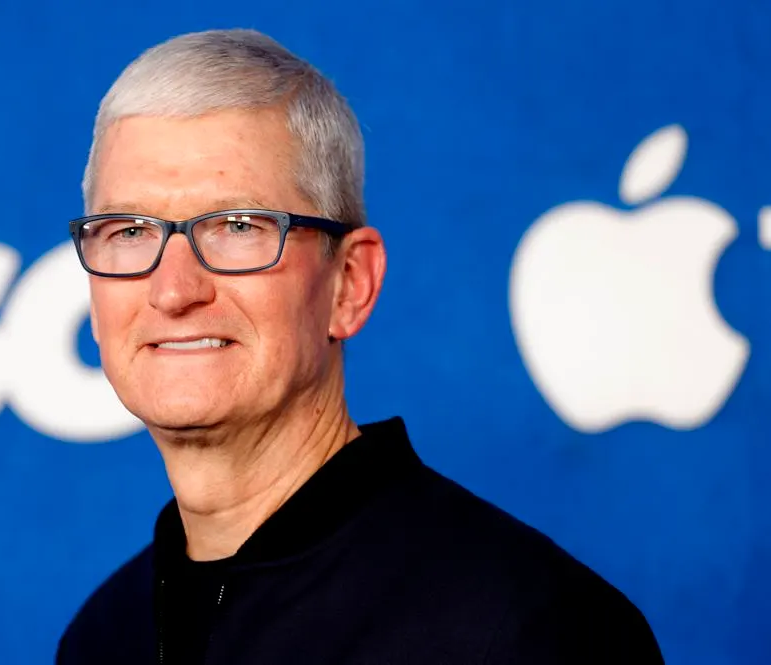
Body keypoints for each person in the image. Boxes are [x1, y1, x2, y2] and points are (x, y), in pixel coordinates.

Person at [56, 28, 665, 665]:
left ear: (350, 284)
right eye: (128, 230)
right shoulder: (102, 636)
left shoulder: (532, 630)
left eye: (237, 226)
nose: (173, 290)